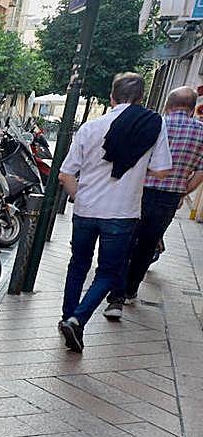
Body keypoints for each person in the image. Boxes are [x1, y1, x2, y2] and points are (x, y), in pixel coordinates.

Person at [57, 72, 172, 352]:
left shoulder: (90, 128)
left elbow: (65, 174)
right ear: (141, 98)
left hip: (85, 210)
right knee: (108, 273)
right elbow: (162, 169)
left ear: (111, 96)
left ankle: (67, 316)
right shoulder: (151, 127)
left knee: (78, 263)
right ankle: (78, 318)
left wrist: (80, 197)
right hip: (121, 213)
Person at [102, 85, 203, 319]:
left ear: (168, 105)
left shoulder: (155, 124)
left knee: (125, 239)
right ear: (191, 108)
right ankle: (130, 290)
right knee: (147, 245)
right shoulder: (200, 132)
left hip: (138, 191)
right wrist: (181, 191)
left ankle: (114, 293)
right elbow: (200, 172)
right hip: (168, 198)